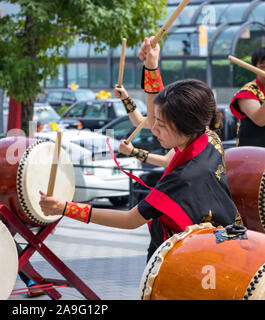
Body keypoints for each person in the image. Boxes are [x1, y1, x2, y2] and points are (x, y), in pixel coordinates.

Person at [39, 37, 239, 262]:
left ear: (184, 126)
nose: (153, 128)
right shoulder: (209, 137)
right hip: (219, 243)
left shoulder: (184, 178)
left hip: (188, 261)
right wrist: (151, 66)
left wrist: (65, 208)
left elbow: (130, 220)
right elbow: (152, 115)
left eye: (161, 126)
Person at [229, 46, 265, 147]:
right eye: (263, 67)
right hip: (253, 156)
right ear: (255, 68)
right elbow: (260, 120)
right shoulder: (248, 92)